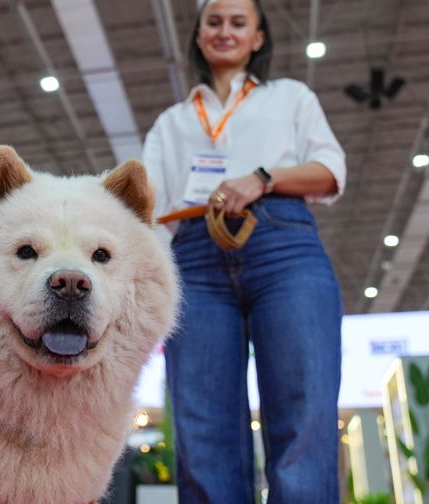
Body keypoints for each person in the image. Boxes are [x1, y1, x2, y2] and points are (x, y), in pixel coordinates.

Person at [141, 0, 346, 502]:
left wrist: (263, 177)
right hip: (193, 257)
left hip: (284, 247)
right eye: (214, 22)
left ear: (258, 38)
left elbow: (329, 171)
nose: (225, 31)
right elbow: (145, 211)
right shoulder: (170, 123)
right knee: (201, 424)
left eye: (238, 22)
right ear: (198, 35)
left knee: (303, 410)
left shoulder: (290, 98)